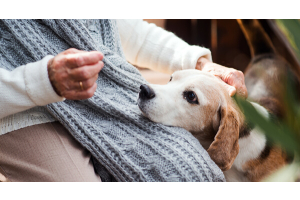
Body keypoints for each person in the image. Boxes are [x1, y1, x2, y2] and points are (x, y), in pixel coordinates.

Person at [0, 19, 247, 182]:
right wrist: (43, 81)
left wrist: (199, 63)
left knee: (191, 172)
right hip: (24, 110)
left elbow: (120, 26)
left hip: (108, 94)